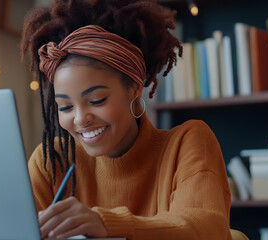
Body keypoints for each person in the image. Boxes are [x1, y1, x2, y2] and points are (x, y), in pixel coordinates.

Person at [20, 0, 232, 239]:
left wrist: (108, 224)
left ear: (133, 88)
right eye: (65, 106)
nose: (80, 119)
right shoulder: (51, 163)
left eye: (97, 100)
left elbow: (206, 228)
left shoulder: (187, 143)